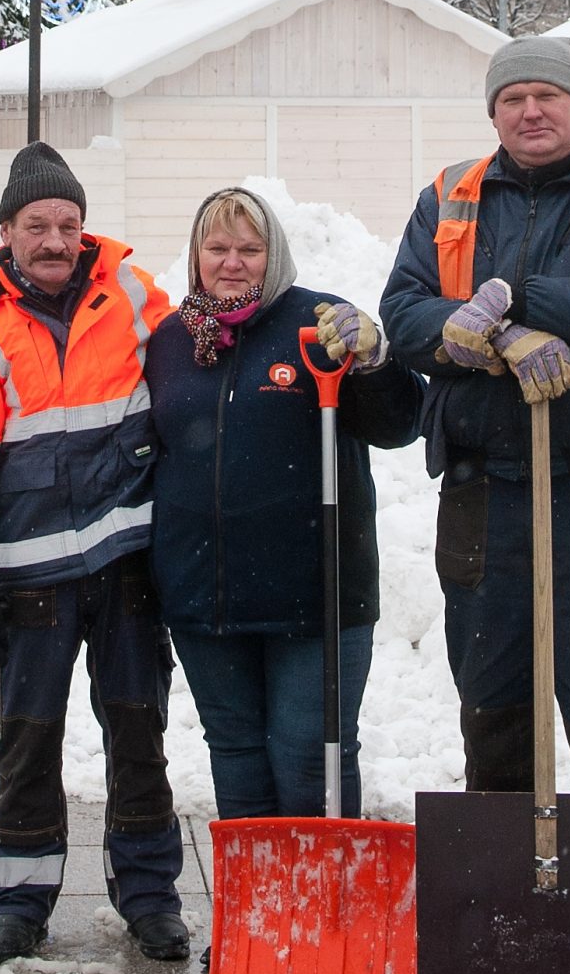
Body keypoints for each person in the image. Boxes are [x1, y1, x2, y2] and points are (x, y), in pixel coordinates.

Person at [380, 35, 570, 940]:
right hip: (485, 493)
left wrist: (503, 304)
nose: (531, 111)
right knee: (495, 710)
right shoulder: (451, 195)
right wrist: (488, 335)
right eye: (512, 97)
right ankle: (506, 925)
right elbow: (404, 315)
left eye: (549, 95)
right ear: (492, 112)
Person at [0, 141, 189, 965]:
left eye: (68, 223)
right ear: (6, 229)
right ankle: (22, 898)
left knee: (139, 732)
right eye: (36, 223)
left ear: (84, 228)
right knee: (29, 740)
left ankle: (149, 895)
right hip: (27, 576)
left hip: (126, 567)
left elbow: (205, 358)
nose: (53, 238)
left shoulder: (136, 295)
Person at [145, 186, 424, 819]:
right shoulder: (170, 341)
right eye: (217, 247)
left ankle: (328, 909)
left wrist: (375, 359)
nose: (232, 262)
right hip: (204, 594)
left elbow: (400, 422)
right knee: (236, 754)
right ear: (196, 253)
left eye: (250, 247)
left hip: (315, 593)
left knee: (309, 756)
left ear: (275, 254)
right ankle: (260, 912)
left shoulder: (320, 323)